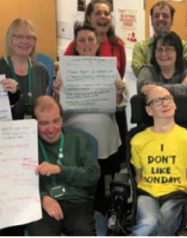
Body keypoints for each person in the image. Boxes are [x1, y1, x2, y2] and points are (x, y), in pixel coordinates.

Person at [53, 23, 127, 215]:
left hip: (105, 137)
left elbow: (119, 106)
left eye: (91, 40)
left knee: (102, 184)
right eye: (82, 40)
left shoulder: (108, 69)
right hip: (75, 138)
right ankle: (78, 215)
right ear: (76, 46)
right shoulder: (64, 71)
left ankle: (102, 215)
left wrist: (119, 93)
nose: (87, 44)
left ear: (97, 44)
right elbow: (56, 112)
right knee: (78, 183)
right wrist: (56, 93)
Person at [27, 95, 100, 236]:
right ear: (34, 123)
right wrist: (42, 198)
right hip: (43, 205)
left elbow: (93, 175)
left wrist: (60, 170)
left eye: (56, 121)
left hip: (77, 203)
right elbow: (19, 184)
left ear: (62, 119)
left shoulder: (79, 141)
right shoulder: (27, 146)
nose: (51, 129)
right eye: (43, 123)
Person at [130, 86, 187, 236]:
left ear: (174, 104)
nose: (165, 104)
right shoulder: (138, 140)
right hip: (147, 194)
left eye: (167, 98)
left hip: (175, 194)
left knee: (164, 224)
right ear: (149, 110)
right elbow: (138, 176)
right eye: (157, 101)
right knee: (149, 222)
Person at [0, 18, 49, 120]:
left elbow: (45, 108)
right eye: (19, 37)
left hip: (36, 131)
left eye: (30, 37)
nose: (24, 41)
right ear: (10, 39)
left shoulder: (42, 71)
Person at [64, 0, 126, 78]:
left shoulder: (117, 44)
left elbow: (120, 76)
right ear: (89, 18)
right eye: (97, 13)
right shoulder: (76, 45)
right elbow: (64, 74)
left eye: (106, 13)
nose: (103, 16)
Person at [131, 1, 187, 77]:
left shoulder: (185, 47)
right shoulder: (140, 47)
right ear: (151, 20)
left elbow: (184, 73)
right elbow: (139, 72)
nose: (160, 18)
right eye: (156, 16)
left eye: (165, 16)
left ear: (172, 20)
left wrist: (147, 68)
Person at [137, 31, 187, 96]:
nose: (163, 54)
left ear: (178, 52)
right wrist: (182, 87)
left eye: (169, 49)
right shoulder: (147, 70)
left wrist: (154, 89)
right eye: (159, 49)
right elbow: (143, 88)